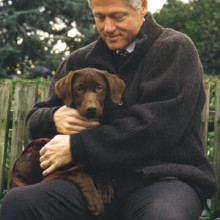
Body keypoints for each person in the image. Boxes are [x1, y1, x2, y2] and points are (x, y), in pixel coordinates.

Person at [0, 0, 217, 219]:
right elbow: (35, 119)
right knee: (20, 202)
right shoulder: (80, 60)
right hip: (95, 184)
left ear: (142, 7)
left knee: (162, 215)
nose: (108, 27)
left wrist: (79, 146)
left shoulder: (174, 49)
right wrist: (53, 117)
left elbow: (157, 129)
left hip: (164, 179)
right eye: (99, 17)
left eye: (117, 16)